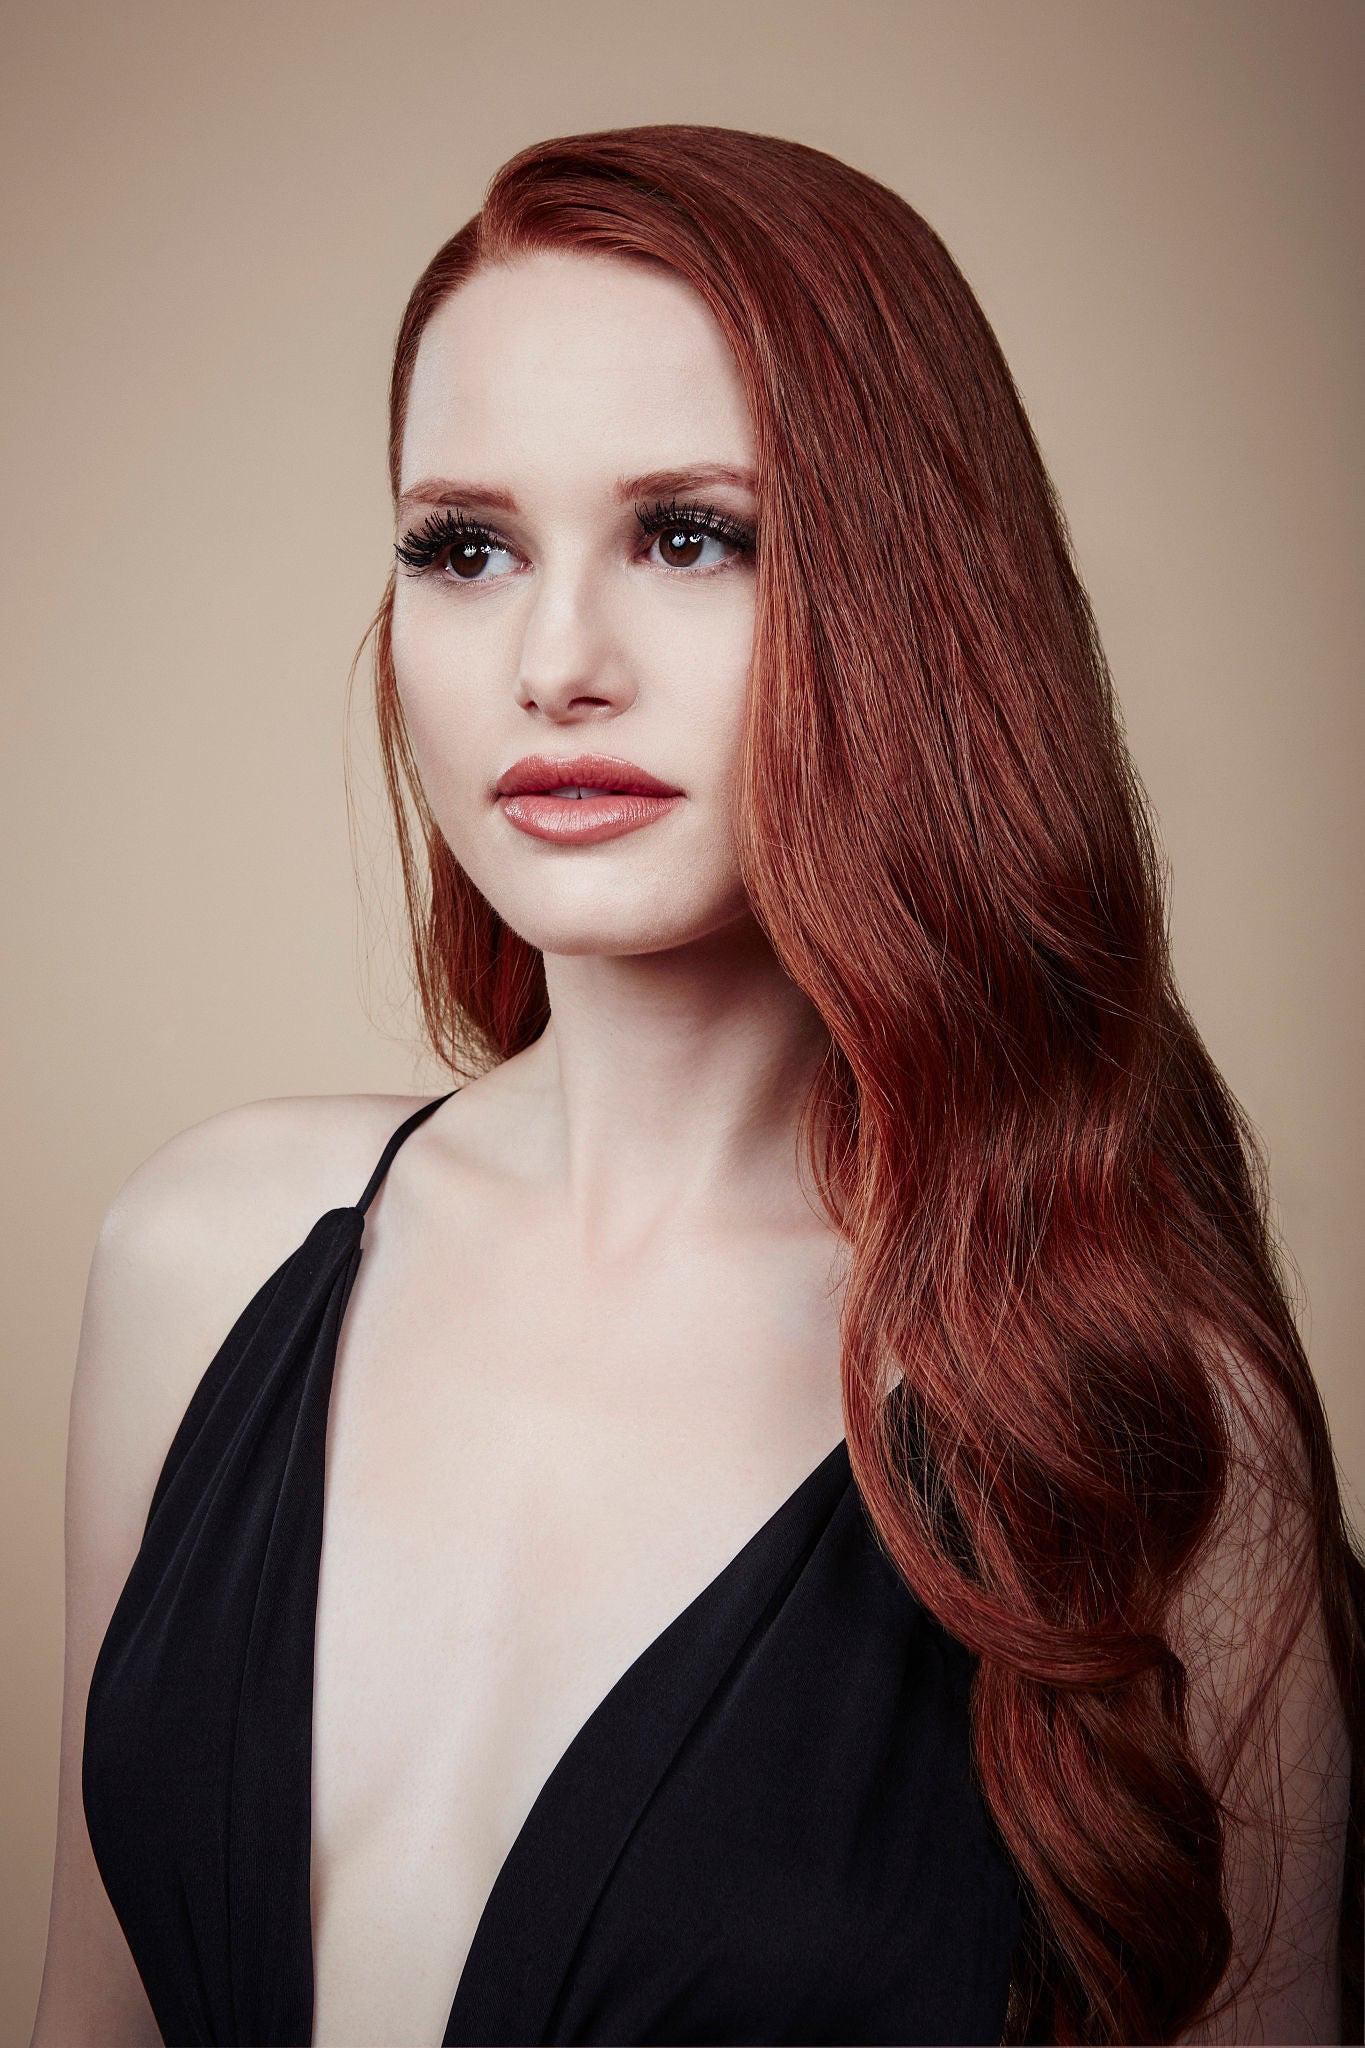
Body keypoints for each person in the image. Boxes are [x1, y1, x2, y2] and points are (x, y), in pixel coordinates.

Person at [33, 125, 1361, 2048]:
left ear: (913, 604)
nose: (555, 663)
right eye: (464, 548)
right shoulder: (200, 1259)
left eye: (689, 535)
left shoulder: (1133, 1415)